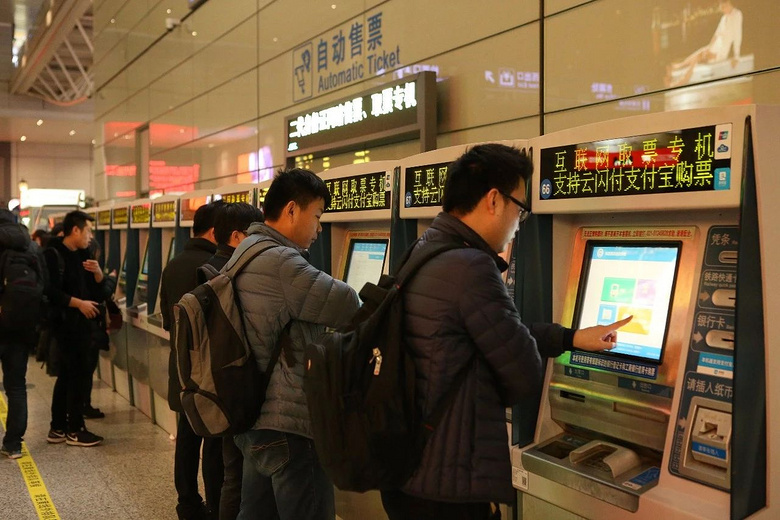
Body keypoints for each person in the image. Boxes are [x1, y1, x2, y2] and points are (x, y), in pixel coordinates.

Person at [379, 144, 632, 520]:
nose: (519, 222)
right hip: (448, 484)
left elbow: (475, 338)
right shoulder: (472, 267)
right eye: (520, 208)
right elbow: (523, 373)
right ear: (494, 200)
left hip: (407, 468)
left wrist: (570, 338)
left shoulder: (423, 249)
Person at [232, 168, 360, 520]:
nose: (319, 229)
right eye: (317, 216)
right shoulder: (281, 261)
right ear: (291, 210)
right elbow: (349, 304)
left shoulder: (247, 250)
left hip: (256, 417)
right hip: (288, 425)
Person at [160, 200, 225, 520]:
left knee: (186, 438)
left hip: (181, 367)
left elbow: (166, 319)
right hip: (210, 371)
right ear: (214, 231)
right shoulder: (216, 266)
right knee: (214, 443)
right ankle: (215, 505)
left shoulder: (173, 264)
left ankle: (187, 502)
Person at [203, 202, 263, 520]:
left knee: (232, 474)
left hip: (221, 385)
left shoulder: (210, 269)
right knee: (240, 477)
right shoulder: (234, 273)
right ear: (238, 236)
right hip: (240, 387)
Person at [44, 210, 107, 447]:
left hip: (83, 326)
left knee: (68, 375)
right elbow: (50, 291)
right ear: (75, 230)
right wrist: (78, 304)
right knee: (76, 376)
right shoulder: (53, 254)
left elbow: (97, 291)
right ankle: (75, 429)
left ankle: (58, 427)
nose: (90, 236)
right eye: (88, 231)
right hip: (65, 325)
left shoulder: (84, 255)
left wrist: (98, 274)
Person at [0, 209, 47, 459]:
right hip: (20, 326)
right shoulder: (31, 247)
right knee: (16, 386)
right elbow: (44, 284)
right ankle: (13, 444)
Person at [666, 0, 743, 87]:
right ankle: (680, 68)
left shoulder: (737, 14)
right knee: (701, 52)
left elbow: (738, 36)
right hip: (715, 47)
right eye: (721, 7)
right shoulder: (724, 18)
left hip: (721, 51)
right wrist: (709, 47)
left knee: (700, 57)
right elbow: (716, 34)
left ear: (728, 3)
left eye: (723, 7)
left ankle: (681, 79)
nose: (722, 9)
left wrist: (736, 56)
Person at [82, 238, 117, 419]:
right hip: (89, 329)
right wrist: (110, 278)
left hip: (84, 329)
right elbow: (102, 292)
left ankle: (80, 407)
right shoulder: (88, 272)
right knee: (85, 370)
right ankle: (82, 407)